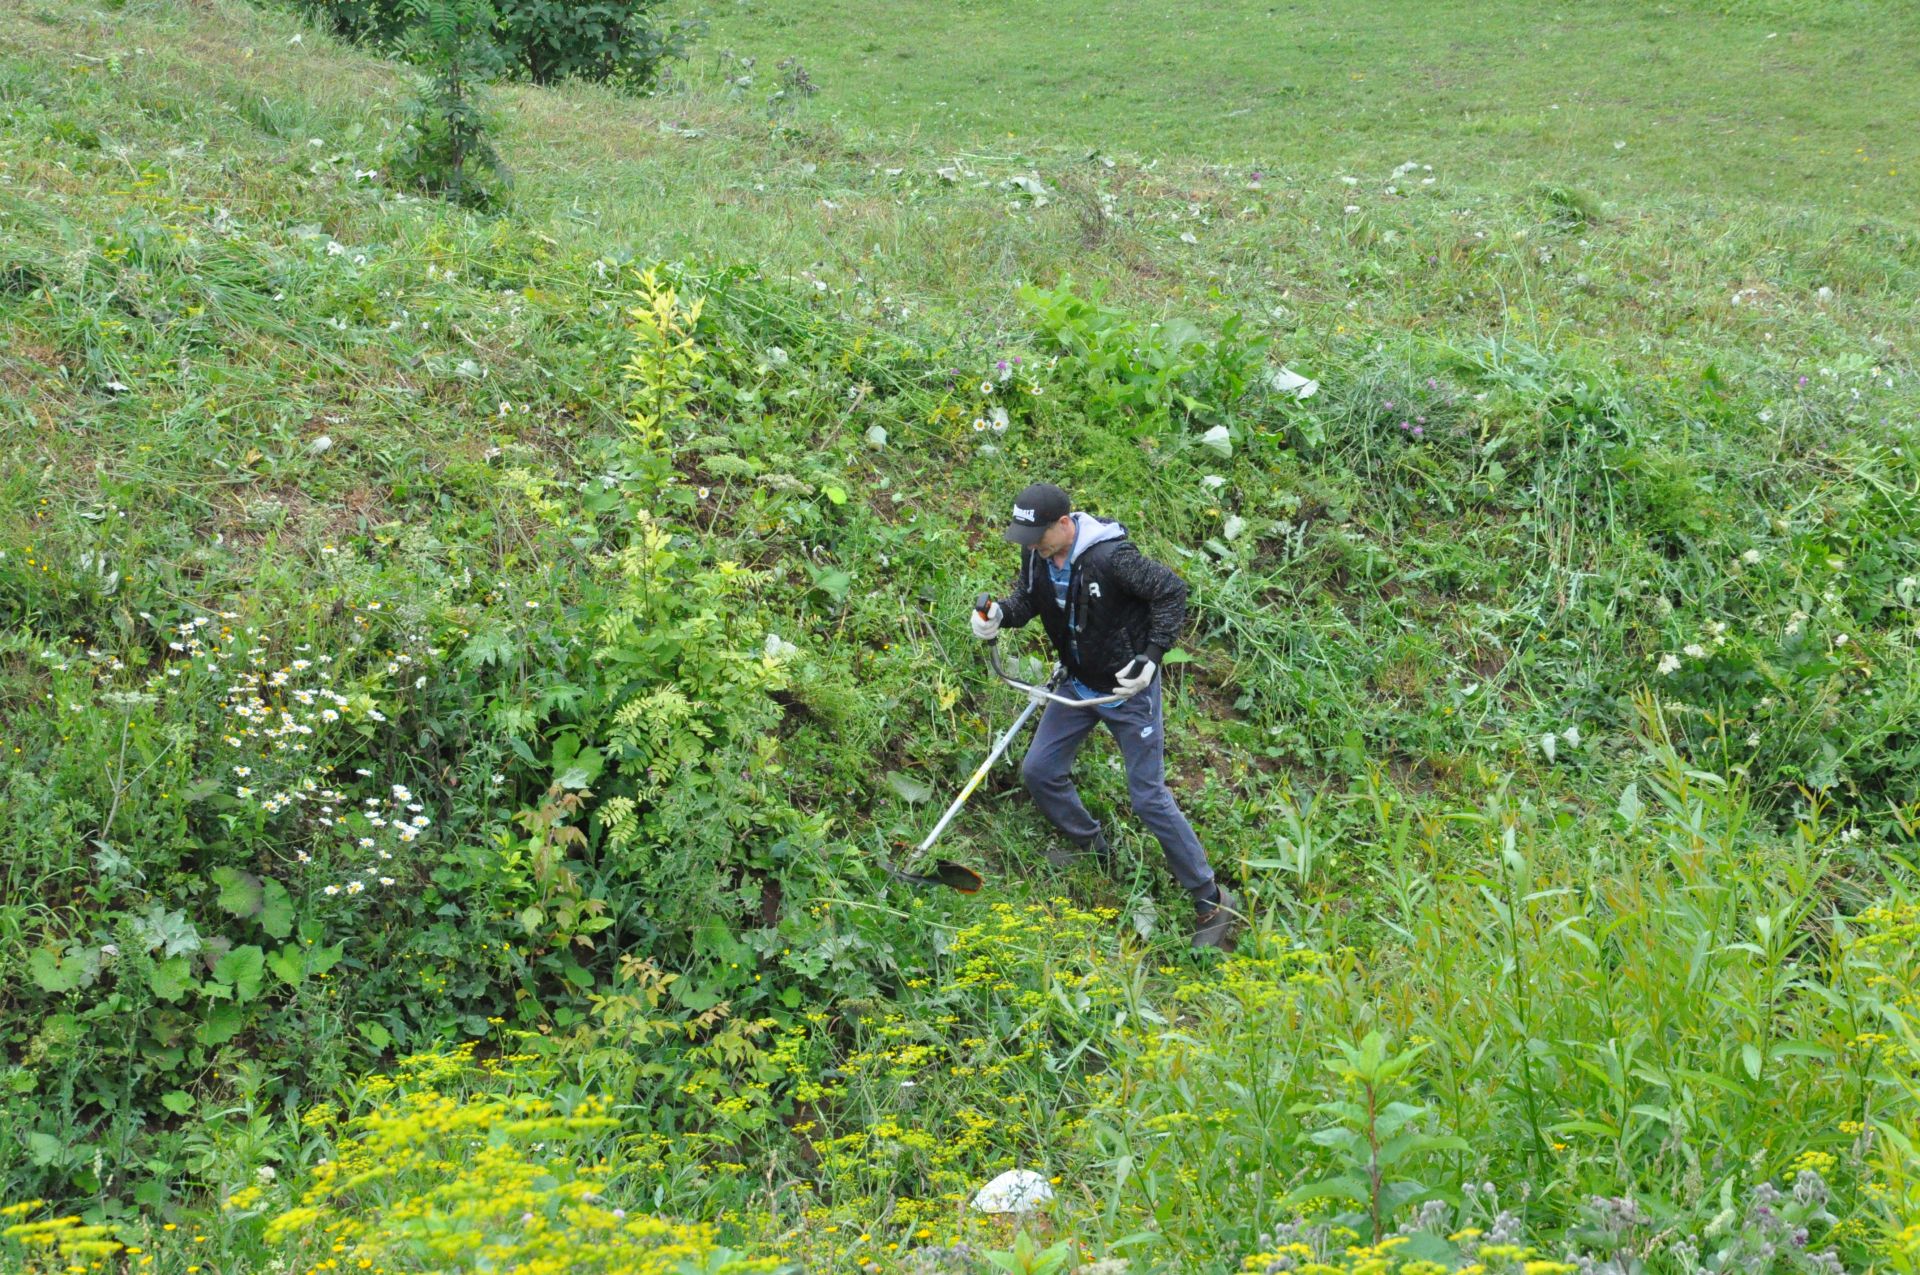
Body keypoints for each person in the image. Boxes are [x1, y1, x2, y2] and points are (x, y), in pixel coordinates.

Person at [972, 481, 1242, 949]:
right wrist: (998, 616)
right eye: (1024, 536)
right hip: (1077, 684)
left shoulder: (1113, 558)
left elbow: (1172, 592)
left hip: (1127, 690)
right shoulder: (1037, 555)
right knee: (1039, 771)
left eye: (1036, 534)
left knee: (1147, 797)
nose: (1030, 545)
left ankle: (1212, 899)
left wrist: (1152, 656)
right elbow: (1027, 601)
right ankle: (1094, 850)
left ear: (1064, 523)